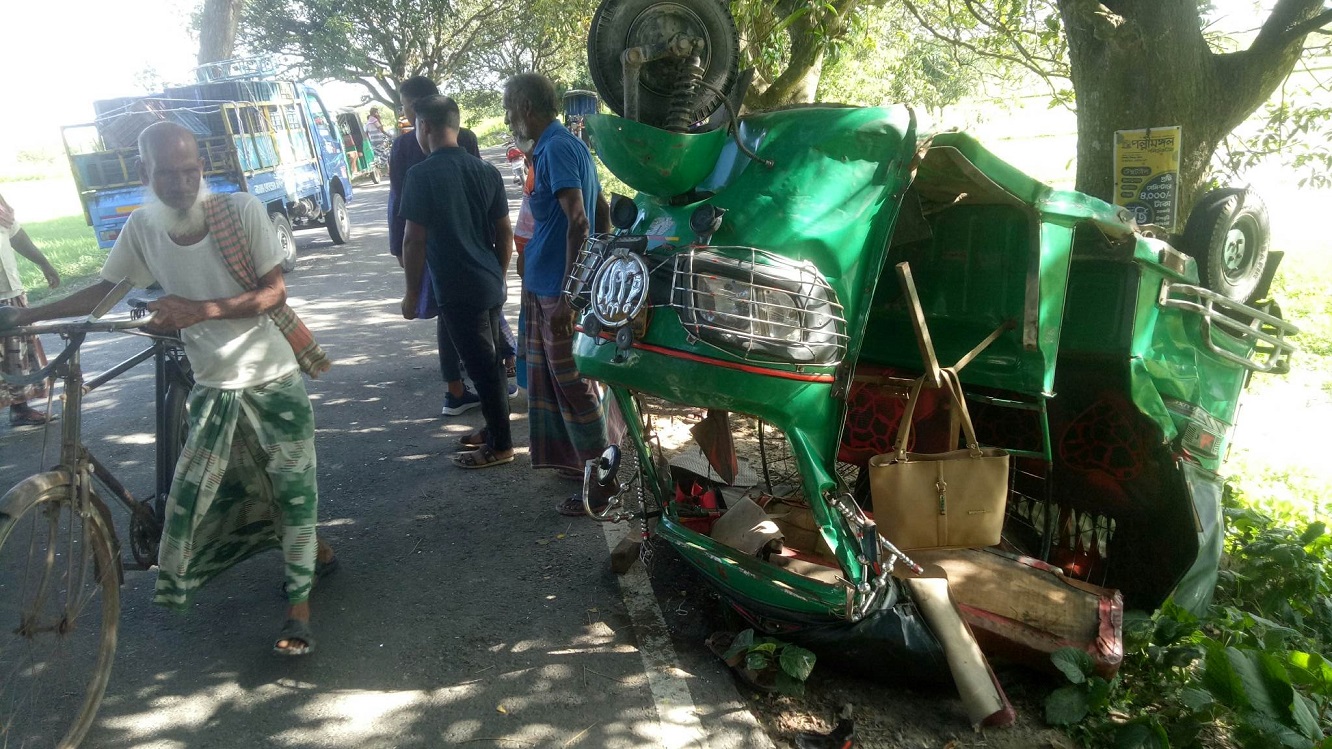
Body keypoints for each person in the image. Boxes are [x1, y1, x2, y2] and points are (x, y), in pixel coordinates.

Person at [0, 122, 336, 656]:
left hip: (273, 383)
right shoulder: (142, 228)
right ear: (143, 173)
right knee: (192, 503)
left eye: (191, 171)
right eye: (167, 174)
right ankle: (313, 553)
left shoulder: (241, 211)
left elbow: (274, 292)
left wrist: (197, 311)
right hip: (213, 388)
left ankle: (299, 611)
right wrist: (26, 318)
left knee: (295, 494)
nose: (181, 184)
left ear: (202, 167)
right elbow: (105, 292)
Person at [502, 73, 616, 515]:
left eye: (511, 111)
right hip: (551, 284)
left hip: (557, 290)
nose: (510, 120)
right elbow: (602, 211)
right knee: (566, 380)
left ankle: (602, 482)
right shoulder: (564, 146)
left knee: (572, 384)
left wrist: (570, 297)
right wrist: (596, 272)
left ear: (527, 107)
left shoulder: (554, 149)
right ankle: (587, 465)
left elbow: (581, 221)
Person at [386, 76, 517, 415]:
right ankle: (493, 423)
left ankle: (494, 434)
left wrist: (411, 288)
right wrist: (498, 271)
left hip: (447, 267)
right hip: (485, 264)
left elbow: (410, 230)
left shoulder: (413, 164)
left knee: (473, 351)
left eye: (407, 112)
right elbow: (502, 229)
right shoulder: (482, 163)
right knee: (488, 346)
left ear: (422, 123)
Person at [0, 192, 60, 426]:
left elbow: (15, 235)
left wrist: (44, 262)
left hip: (9, 293)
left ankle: (20, 409)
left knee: (16, 356)